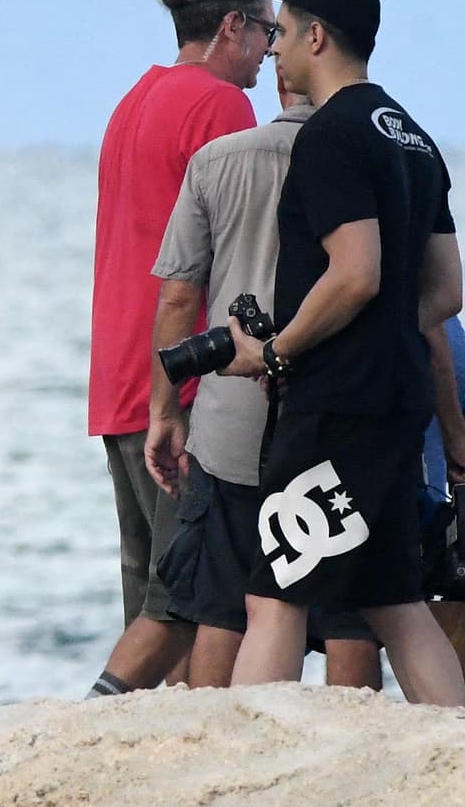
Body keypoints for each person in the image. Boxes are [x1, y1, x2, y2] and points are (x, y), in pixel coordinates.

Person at [223, 0, 465, 706]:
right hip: (398, 398)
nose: (274, 49)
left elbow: (354, 271)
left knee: (275, 593)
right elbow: (447, 288)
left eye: (285, 33)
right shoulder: (413, 135)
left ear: (317, 36)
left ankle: (240, 760)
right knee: (395, 599)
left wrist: (274, 349)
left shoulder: (330, 135)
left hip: (335, 403)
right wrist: (392, 331)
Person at [147, 77, 381, 689]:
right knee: (347, 613)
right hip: (335, 410)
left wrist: (165, 410)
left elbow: (177, 295)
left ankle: (220, 749)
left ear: (283, 74)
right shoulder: (369, 154)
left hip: (230, 417)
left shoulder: (217, 160)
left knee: (222, 605)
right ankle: (350, 754)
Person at [86, 0, 274, 698]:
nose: (269, 48)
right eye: (263, 30)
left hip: (120, 369)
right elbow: (234, 253)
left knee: (148, 587)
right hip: (184, 376)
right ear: (231, 27)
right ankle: (116, 724)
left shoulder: (136, 98)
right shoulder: (220, 106)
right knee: (191, 594)